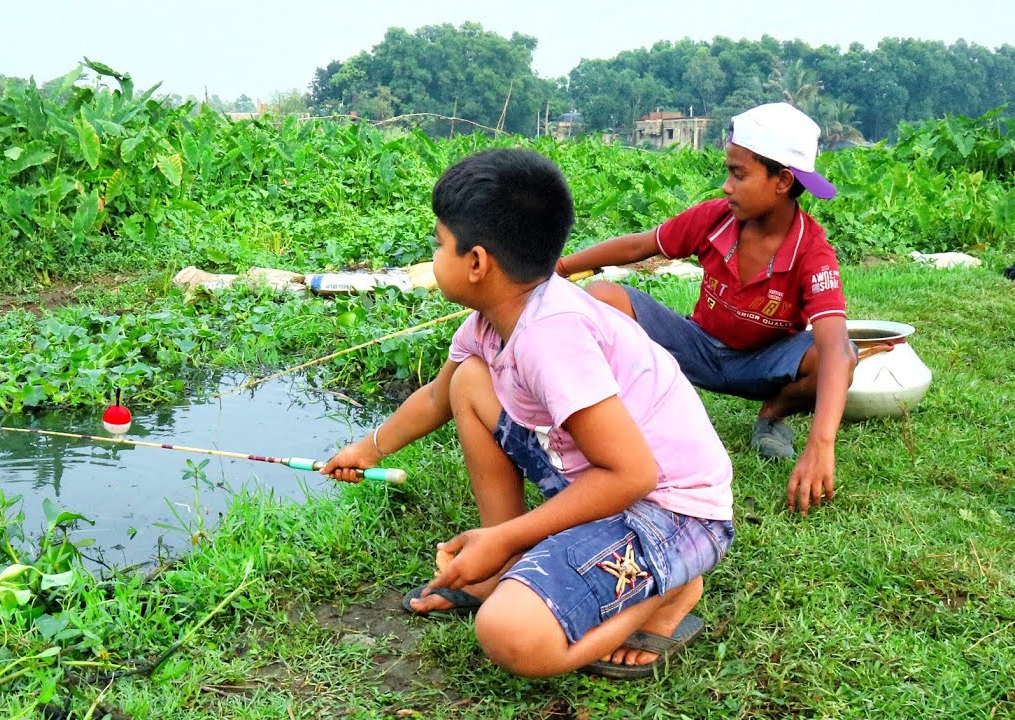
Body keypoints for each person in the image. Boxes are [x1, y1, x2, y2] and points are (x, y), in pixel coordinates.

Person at [321, 148, 734, 679]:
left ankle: (668, 596)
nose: (433, 255)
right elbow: (436, 399)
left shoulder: (550, 337)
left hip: (674, 514)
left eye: (438, 243)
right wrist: (367, 449)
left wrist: (502, 539)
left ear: (477, 263)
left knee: (509, 634)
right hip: (603, 481)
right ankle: (510, 564)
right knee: (470, 381)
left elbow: (635, 474)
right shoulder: (492, 321)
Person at [555, 103, 857, 516]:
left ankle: (773, 415)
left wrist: (821, 444)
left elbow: (836, 348)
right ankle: (617, 429)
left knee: (840, 355)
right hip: (695, 347)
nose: (726, 186)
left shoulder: (812, 250)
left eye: (738, 174)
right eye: (728, 171)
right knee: (604, 297)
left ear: (783, 181)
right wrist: (560, 267)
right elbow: (639, 245)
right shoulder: (715, 220)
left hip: (761, 364)